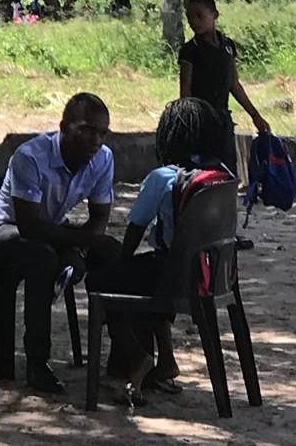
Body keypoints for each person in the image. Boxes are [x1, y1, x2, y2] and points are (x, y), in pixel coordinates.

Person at [86, 97, 230, 406]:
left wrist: (121, 262)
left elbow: (136, 226)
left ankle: (138, 357)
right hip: (212, 277)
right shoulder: (222, 176)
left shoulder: (163, 177)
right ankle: (166, 358)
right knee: (150, 276)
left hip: (172, 275)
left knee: (102, 279)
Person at [0, 92, 120, 394]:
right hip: (5, 231)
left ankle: (124, 354)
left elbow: (99, 216)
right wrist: (77, 245)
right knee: (42, 257)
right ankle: (37, 362)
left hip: (52, 232)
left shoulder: (103, 159)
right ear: (64, 127)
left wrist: (81, 250)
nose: (95, 140)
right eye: (86, 130)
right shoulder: (30, 156)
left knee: (111, 254)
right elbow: (29, 224)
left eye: (102, 132)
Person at [179, 0, 270, 176]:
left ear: (215, 15)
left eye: (199, 16)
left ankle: (226, 204)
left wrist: (255, 115)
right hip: (200, 121)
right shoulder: (190, 50)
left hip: (222, 118)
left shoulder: (227, 47)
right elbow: (185, 91)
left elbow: (234, 84)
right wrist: (189, 122)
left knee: (227, 171)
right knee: (202, 174)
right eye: (189, 17)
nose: (193, 22)